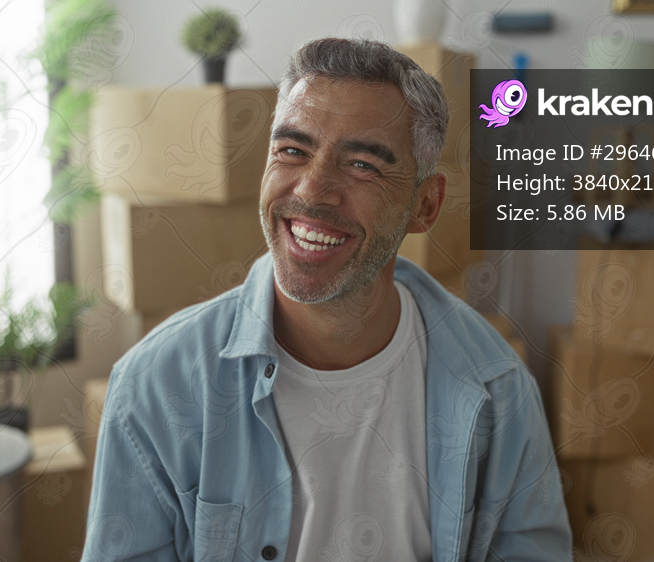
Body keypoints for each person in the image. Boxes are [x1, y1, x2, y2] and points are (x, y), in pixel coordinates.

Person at [82, 38, 571, 562]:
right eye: (292, 151)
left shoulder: (499, 388)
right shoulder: (155, 387)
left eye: (362, 164)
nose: (313, 190)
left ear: (425, 205)